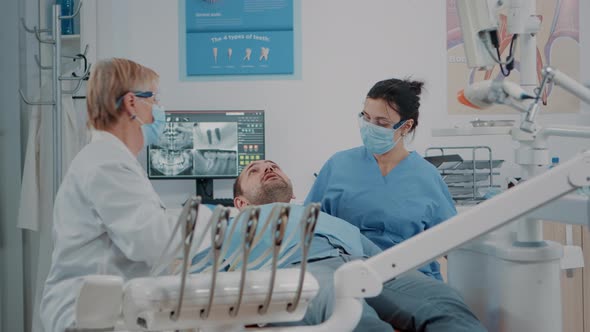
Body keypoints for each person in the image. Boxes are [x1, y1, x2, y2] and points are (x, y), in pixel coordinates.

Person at [230, 159, 485, 332]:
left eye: (273, 166)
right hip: (301, 270)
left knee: (442, 299)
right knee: (352, 314)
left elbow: (380, 257)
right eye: (254, 170)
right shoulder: (237, 225)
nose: (268, 169)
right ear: (241, 204)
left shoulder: (323, 217)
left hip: (365, 265)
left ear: (293, 194)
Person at [40, 58, 191, 331]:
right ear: (132, 103)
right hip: (90, 315)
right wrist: (216, 221)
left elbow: (144, 229)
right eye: (154, 99)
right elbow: (150, 240)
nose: (159, 110)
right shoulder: (106, 163)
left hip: (104, 310)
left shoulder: (112, 159)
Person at [305, 78, 455, 281]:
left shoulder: (427, 177)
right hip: (351, 279)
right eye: (366, 117)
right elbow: (307, 229)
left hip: (412, 279)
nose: (370, 127)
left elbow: (454, 245)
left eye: (382, 123)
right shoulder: (338, 166)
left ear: (406, 126)